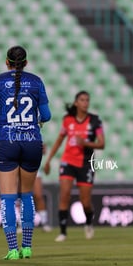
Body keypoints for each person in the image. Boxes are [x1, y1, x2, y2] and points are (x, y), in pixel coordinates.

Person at [0, 45, 51, 260]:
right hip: (31, 142)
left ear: (6, 62)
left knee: (8, 198)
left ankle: (12, 249)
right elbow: (46, 115)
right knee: (27, 194)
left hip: (6, 142)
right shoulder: (36, 81)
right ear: (26, 63)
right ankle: (27, 247)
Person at [43, 91, 104, 242]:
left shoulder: (95, 121)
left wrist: (85, 143)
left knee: (86, 202)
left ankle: (89, 223)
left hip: (86, 163)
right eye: (82, 100)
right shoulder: (67, 120)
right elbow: (59, 140)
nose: (85, 103)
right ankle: (63, 232)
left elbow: (102, 144)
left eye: (87, 100)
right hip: (68, 161)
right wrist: (49, 160)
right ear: (76, 102)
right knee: (64, 195)